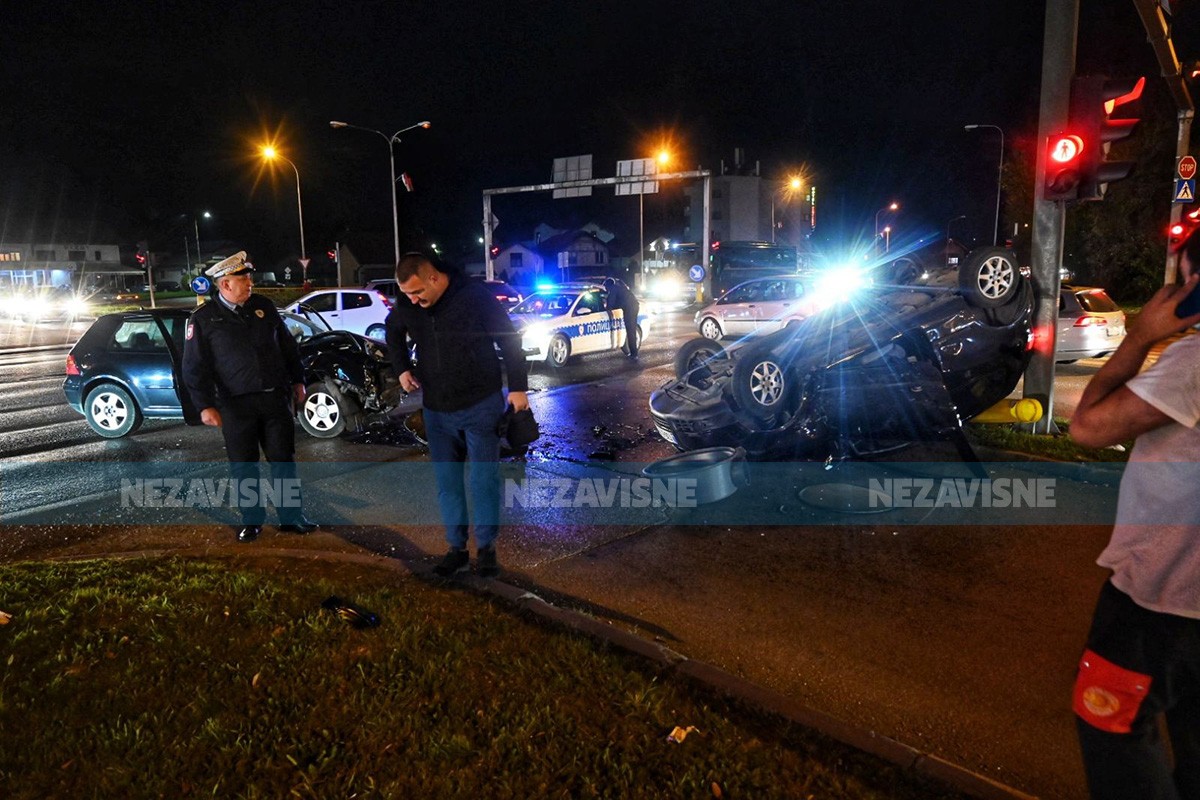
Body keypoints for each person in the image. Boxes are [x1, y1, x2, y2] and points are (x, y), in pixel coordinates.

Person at [1069, 228, 1200, 799]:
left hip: (1162, 598)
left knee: (1111, 724)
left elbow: (1088, 426)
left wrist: (1140, 336)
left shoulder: (1192, 364)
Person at [385, 253, 529, 578]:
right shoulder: (410, 304)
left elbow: (509, 339)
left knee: (483, 481)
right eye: (406, 295)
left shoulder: (474, 296)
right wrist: (402, 368)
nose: (412, 301)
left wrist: (519, 387)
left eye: (417, 292)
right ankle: (457, 550)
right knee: (447, 484)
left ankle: (487, 549)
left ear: (434, 278)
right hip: (436, 410)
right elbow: (392, 330)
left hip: (481, 404)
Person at [182, 251, 318, 542]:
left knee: (283, 461)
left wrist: (298, 380)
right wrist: (204, 405)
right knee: (245, 465)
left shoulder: (264, 307)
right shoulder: (204, 319)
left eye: (249, 278)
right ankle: (252, 521)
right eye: (242, 279)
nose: (249, 283)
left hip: (274, 400)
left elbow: (287, 346)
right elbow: (194, 367)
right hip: (235, 405)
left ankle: (291, 517)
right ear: (224, 285)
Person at [603, 276, 640, 358]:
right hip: (632, 306)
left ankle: (634, 354)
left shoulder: (613, 290)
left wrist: (605, 309)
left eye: (605, 286)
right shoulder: (618, 288)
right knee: (630, 330)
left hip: (630, 308)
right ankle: (632, 352)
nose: (605, 289)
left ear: (608, 285)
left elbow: (610, 304)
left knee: (630, 331)